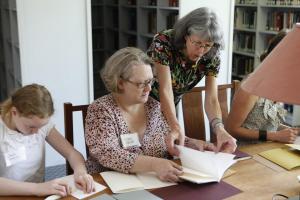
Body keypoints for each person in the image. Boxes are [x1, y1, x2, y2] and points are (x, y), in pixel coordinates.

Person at [85, 47, 216, 182]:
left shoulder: (155, 106)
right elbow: (108, 153)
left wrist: (191, 143)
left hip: (154, 183)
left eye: (151, 81)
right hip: (109, 185)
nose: (149, 89)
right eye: (141, 84)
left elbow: (169, 139)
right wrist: (154, 164)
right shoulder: (101, 110)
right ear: (120, 83)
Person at [146, 7, 236, 155]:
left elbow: (212, 99)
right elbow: (165, 89)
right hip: (144, 101)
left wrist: (220, 129)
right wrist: (175, 125)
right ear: (186, 35)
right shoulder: (164, 41)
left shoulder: (212, 54)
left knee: (167, 151)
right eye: (197, 43)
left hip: (170, 105)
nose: (201, 51)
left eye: (207, 45)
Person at [0, 84, 95, 197]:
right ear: (14, 112)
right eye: (30, 127)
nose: (36, 132)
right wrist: (37, 188)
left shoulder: (40, 125)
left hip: (37, 193)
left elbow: (72, 153)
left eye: (40, 126)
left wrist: (81, 173)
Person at [226, 30, 299, 144]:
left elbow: (267, 123)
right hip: (243, 152)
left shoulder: (281, 84)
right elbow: (231, 129)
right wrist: (275, 136)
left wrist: (290, 131)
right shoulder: (252, 85)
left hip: (266, 150)